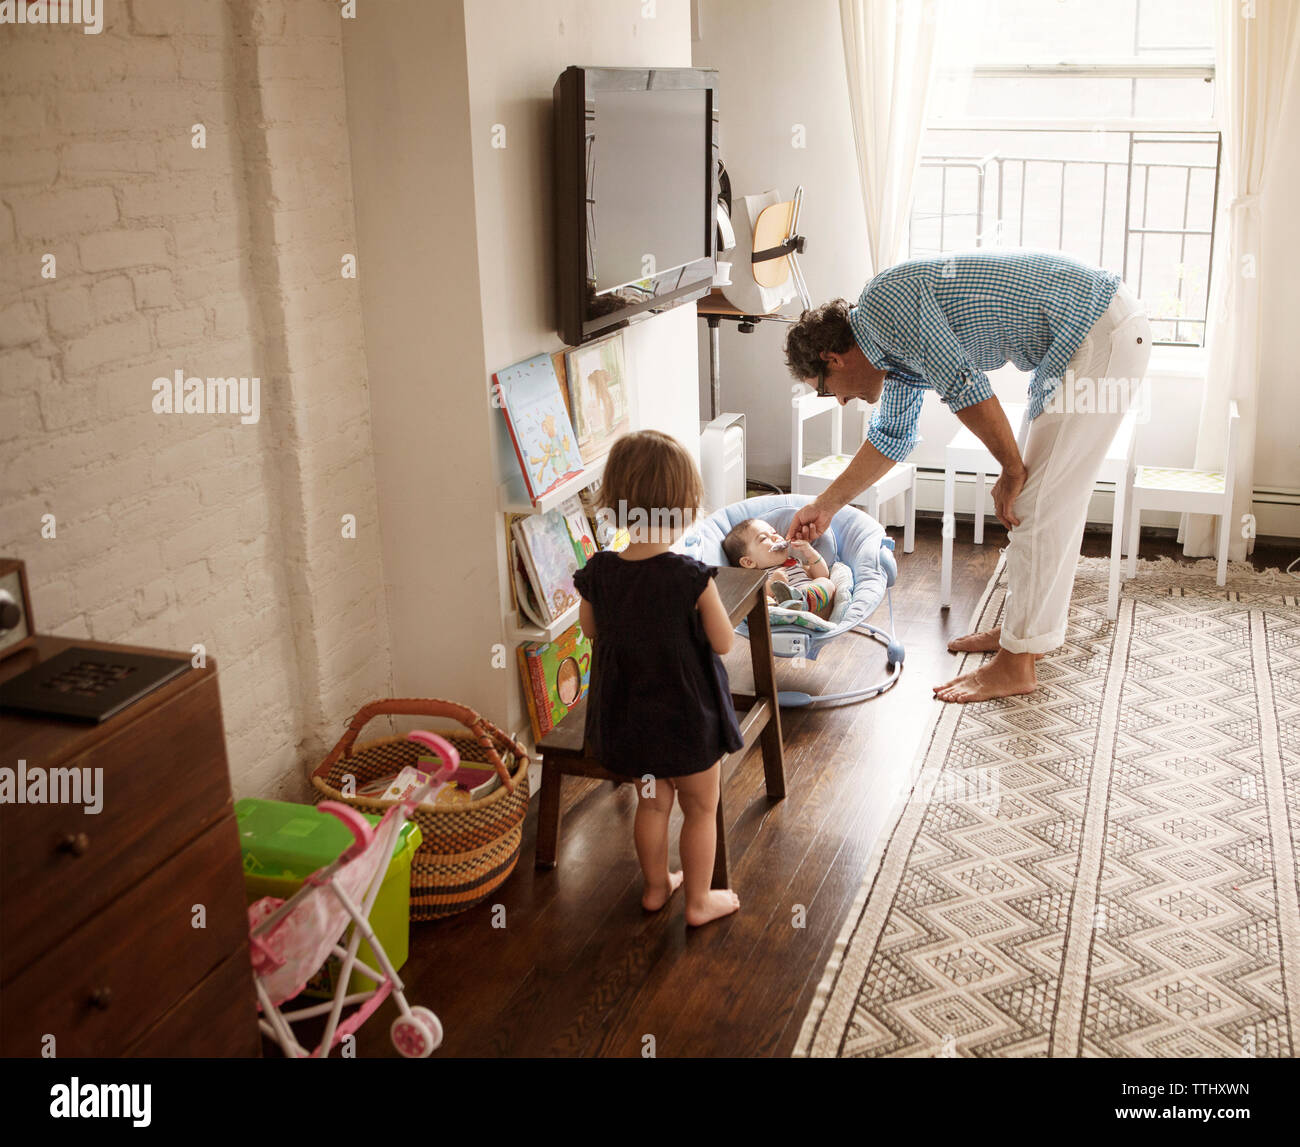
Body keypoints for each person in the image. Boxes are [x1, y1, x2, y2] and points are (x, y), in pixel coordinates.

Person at [782, 248, 1151, 703]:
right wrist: (826, 505)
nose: (838, 401)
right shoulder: (891, 352)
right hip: (1087, 334)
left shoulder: (884, 306)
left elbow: (964, 384)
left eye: (825, 391)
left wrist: (1011, 469)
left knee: (1037, 502)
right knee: (1040, 500)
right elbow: (892, 438)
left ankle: (1017, 663)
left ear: (831, 359)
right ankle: (1023, 632)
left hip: (1099, 329)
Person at [572, 429, 744, 926]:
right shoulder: (691, 577)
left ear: (613, 507)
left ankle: (654, 887)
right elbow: (723, 643)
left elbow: (590, 630)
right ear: (685, 509)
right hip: (689, 721)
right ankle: (697, 901)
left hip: (633, 721)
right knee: (700, 809)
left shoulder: (600, 571)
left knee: (652, 806)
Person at [722, 518, 837, 620]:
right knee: (761, 602)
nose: (775, 537)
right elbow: (754, 597)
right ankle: (785, 609)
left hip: (813, 603)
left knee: (826, 582)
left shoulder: (795, 562)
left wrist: (811, 553)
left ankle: (801, 601)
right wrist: (772, 584)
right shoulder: (758, 576)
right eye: (763, 538)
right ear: (749, 562)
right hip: (782, 611)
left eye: (774, 532)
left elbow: (822, 574)